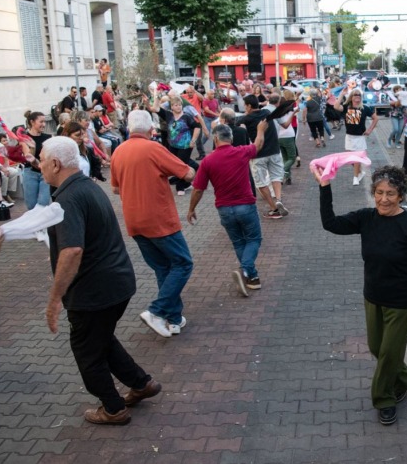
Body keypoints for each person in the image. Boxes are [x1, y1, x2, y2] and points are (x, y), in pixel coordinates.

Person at [41, 137, 160, 425]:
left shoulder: (68, 198)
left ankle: (113, 407)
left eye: (42, 160)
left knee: (87, 350)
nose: (39, 165)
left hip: (94, 292)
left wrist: (55, 298)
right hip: (116, 284)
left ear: (55, 164)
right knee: (101, 339)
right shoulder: (87, 186)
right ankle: (140, 383)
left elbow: (72, 250)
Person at [313, 164, 407, 425]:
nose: (384, 199)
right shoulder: (366, 218)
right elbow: (331, 224)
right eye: (379, 192)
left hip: (402, 302)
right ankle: (405, 379)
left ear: (401, 195)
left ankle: (384, 399)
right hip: (372, 297)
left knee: (389, 354)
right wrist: (325, 186)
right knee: (377, 348)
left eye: (391, 193)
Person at [111, 110, 195, 338]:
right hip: (158, 219)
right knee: (183, 264)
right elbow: (187, 174)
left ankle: (174, 318)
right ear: (151, 130)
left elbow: (116, 188)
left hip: (134, 220)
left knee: (163, 268)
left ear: (129, 128)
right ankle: (156, 311)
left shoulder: (118, 151)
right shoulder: (153, 148)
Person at [187, 122, 266, 295]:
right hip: (245, 205)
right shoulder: (241, 152)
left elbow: (198, 189)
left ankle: (252, 277)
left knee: (238, 242)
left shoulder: (208, 161)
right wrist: (260, 130)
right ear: (230, 138)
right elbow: (258, 145)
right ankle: (245, 269)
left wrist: (191, 209)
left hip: (224, 209)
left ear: (215, 139)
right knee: (254, 239)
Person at [236, 95, 288, 218]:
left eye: (245, 105)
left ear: (248, 106)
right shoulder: (267, 112)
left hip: (258, 154)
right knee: (276, 177)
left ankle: (274, 208)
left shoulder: (246, 119)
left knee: (260, 182)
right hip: (274, 150)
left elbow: (236, 124)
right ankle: (278, 199)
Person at [334, 88, 378, 186]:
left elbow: (375, 118)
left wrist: (370, 130)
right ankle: (360, 172)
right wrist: (342, 94)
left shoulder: (365, 108)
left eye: (359, 95)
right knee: (350, 159)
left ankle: (355, 178)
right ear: (351, 97)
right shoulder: (346, 107)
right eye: (355, 94)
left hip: (359, 137)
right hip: (349, 136)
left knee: (356, 157)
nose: (357, 96)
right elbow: (336, 106)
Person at [20, 110, 52, 209]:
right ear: (32, 122)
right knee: (31, 205)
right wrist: (32, 148)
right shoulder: (25, 138)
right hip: (30, 172)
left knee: (43, 202)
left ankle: (44, 224)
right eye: (41, 122)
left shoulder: (49, 137)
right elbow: (28, 156)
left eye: (44, 122)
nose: (44, 124)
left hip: (45, 172)